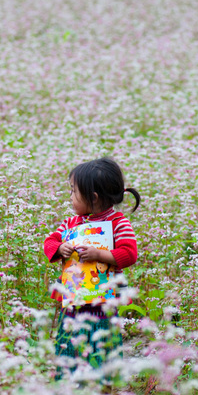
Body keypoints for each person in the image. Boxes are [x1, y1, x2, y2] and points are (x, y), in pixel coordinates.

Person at [43, 157, 141, 381]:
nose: (70, 196)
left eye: (73, 191)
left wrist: (100, 255)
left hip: (104, 298)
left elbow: (129, 253)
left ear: (93, 197)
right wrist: (60, 248)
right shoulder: (70, 223)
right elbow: (49, 243)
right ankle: (68, 381)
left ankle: (102, 384)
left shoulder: (118, 223)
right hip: (73, 294)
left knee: (101, 336)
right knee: (68, 335)